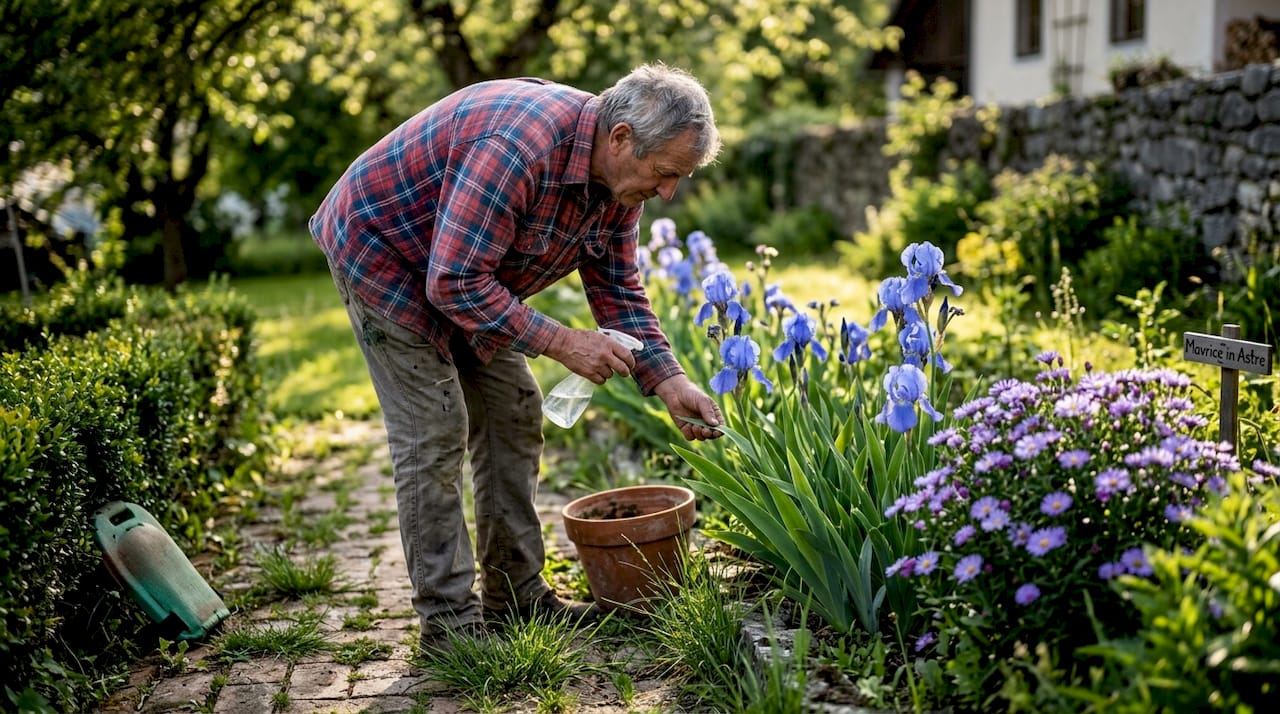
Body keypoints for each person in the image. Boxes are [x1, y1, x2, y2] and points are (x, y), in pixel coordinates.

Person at [309, 63, 725, 652]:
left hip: (468, 271)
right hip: (385, 253)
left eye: (677, 178)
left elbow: (617, 288)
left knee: (515, 407)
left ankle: (516, 596)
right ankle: (450, 626)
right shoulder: (518, 147)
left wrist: (670, 379)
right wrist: (562, 342)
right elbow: (452, 281)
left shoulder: (616, 182)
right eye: (664, 174)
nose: (667, 193)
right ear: (621, 138)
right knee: (436, 427)